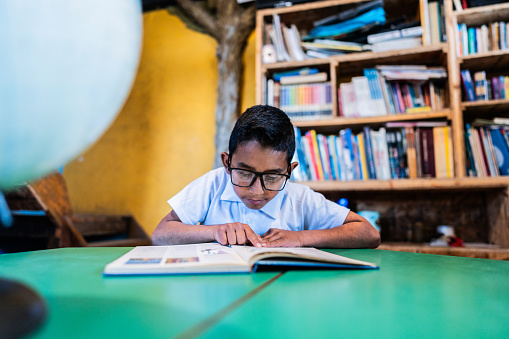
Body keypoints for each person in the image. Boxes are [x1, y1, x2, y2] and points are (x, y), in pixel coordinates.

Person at [152, 105, 380, 248]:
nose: (257, 191)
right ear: (227, 163)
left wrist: (301, 238)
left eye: (272, 176)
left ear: (289, 171)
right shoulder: (214, 183)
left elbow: (368, 233)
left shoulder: (299, 198)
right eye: (244, 172)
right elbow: (160, 235)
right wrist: (215, 230)